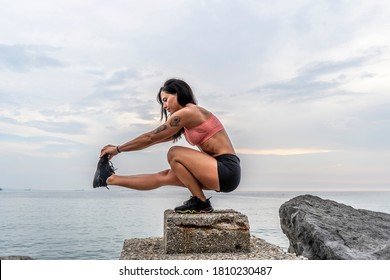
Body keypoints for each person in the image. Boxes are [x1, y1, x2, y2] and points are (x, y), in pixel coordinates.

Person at [93, 78, 241, 213]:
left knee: (174, 153)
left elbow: (150, 137)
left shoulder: (189, 112)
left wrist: (118, 149)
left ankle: (201, 202)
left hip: (226, 169)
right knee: (164, 176)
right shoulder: (185, 121)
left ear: (178, 93)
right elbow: (154, 139)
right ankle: (110, 179)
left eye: (165, 100)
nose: (164, 106)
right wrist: (120, 149)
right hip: (216, 172)